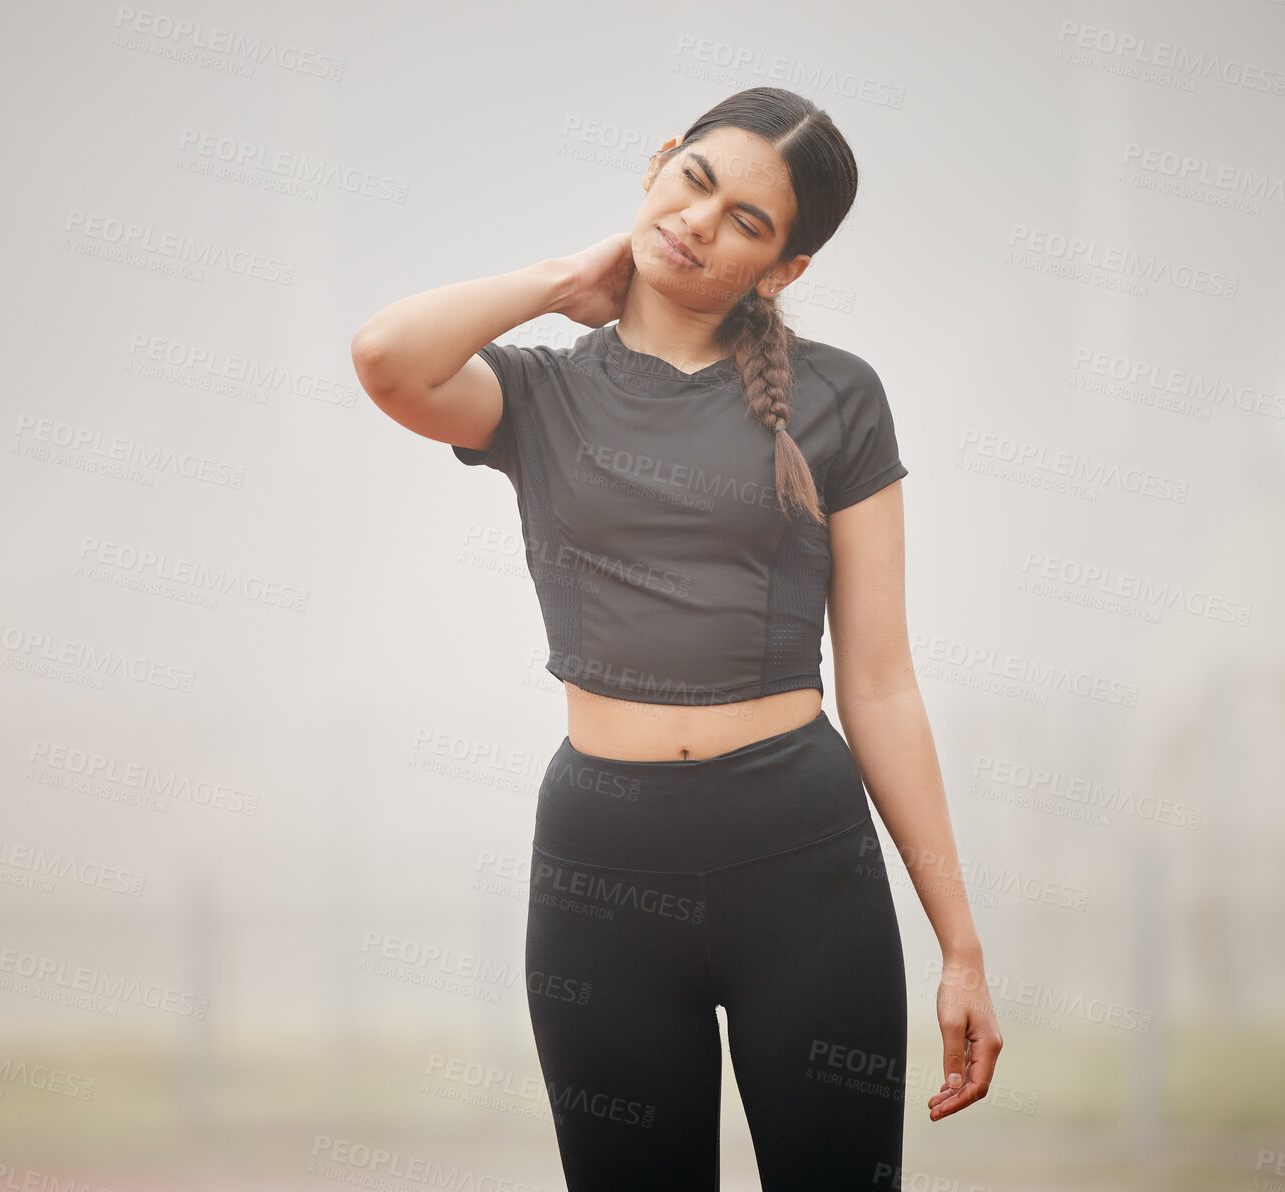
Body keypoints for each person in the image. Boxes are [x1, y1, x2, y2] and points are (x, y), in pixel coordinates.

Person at [351, 85, 1001, 1191]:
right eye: (695, 181)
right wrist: (566, 282)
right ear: (658, 167)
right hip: (600, 869)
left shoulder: (840, 398)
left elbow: (881, 685)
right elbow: (385, 356)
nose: (702, 221)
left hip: (803, 863)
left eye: (749, 221)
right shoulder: (538, 391)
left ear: (785, 269)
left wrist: (961, 946)